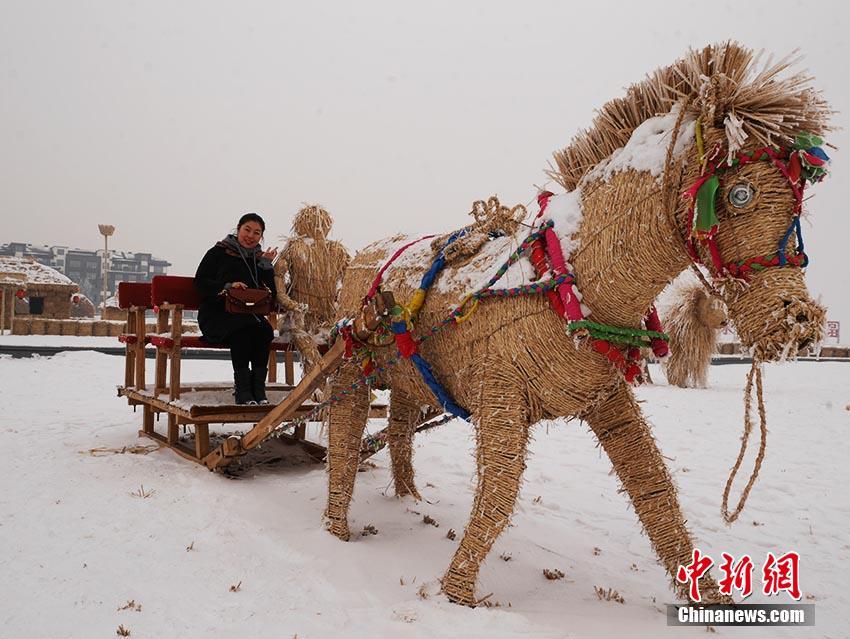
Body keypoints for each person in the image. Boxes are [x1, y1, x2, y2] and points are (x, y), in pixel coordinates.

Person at [194, 213, 278, 405]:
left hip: (249, 315)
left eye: (257, 233)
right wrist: (227, 286)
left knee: (264, 330)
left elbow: (271, 292)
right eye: (247, 229)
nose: (251, 235)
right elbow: (200, 283)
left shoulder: (258, 259)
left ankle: (259, 390)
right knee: (242, 331)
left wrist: (266, 266)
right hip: (216, 314)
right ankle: (243, 391)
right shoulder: (218, 252)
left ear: (261, 237)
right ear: (238, 229)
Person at [274, 205, 350, 374]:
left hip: (329, 317)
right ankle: (317, 386)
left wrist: (343, 299)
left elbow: (350, 280)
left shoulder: (336, 251)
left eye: (320, 223)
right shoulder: (294, 248)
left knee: (345, 344)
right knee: (306, 344)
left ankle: (336, 388)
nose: (317, 226)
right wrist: (290, 304)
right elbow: (278, 278)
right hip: (299, 318)